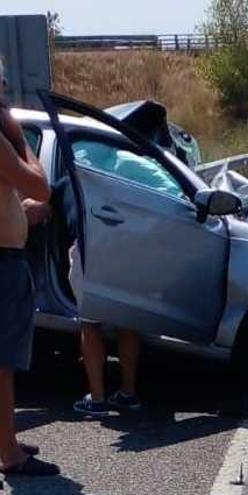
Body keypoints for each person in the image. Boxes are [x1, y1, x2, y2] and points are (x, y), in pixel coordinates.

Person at [24, 141, 160, 417]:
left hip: (89, 251)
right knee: (128, 322)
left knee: (90, 324)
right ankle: (128, 394)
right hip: (124, 250)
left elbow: (34, 209)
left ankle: (97, 399)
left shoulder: (64, 184)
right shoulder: (120, 181)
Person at [0, 58, 60, 476]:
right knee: (3, 363)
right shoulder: (3, 141)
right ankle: (10, 454)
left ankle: (7, 441)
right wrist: (27, 150)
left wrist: (20, 212)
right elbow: (40, 184)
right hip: (3, 261)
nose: (4, 93)